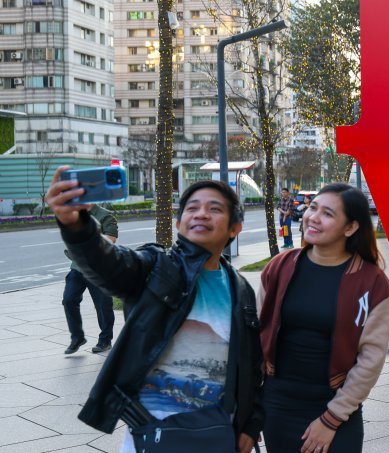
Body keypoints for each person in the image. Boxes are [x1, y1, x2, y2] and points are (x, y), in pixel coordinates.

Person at [45, 171, 263, 453]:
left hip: (219, 432)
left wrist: (250, 424)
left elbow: (251, 363)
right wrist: (76, 226)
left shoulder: (240, 287)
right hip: (152, 434)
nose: (201, 214)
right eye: (192, 208)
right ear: (178, 223)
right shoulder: (157, 266)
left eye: (215, 209)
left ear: (235, 228)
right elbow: (109, 264)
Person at [258, 183, 389, 453]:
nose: (313, 217)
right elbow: (256, 334)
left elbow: (370, 360)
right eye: (313, 207)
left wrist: (331, 420)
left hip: (336, 406)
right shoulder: (280, 267)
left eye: (328, 213)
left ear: (350, 227)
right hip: (278, 405)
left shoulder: (372, 282)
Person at [62, 204, 118, 355]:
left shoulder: (105, 215)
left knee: (103, 305)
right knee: (69, 300)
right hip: (78, 267)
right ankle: (77, 337)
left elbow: (111, 239)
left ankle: (105, 340)